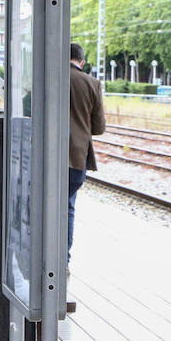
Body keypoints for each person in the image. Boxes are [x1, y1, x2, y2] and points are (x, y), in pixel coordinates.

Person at [68, 42, 106, 261]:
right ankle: (62, 261)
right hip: (76, 158)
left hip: (43, 157)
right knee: (68, 207)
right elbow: (99, 128)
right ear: (81, 61)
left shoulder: (47, 78)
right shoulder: (92, 83)